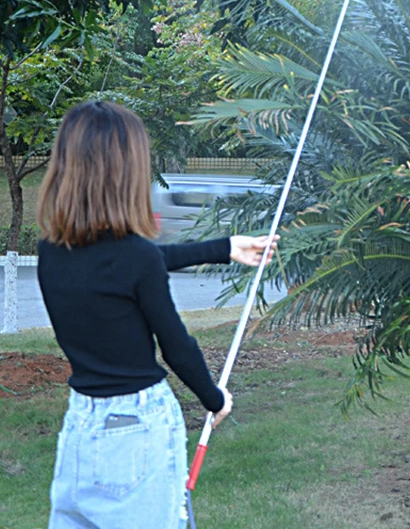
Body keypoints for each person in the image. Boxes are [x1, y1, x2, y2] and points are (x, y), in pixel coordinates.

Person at [36, 100, 278, 529]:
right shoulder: (134, 258)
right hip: (137, 429)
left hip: (79, 427)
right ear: (125, 172)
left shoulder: (51, 253)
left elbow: (132, 264)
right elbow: (176, 345)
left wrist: (224, 247)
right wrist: (214, 399)